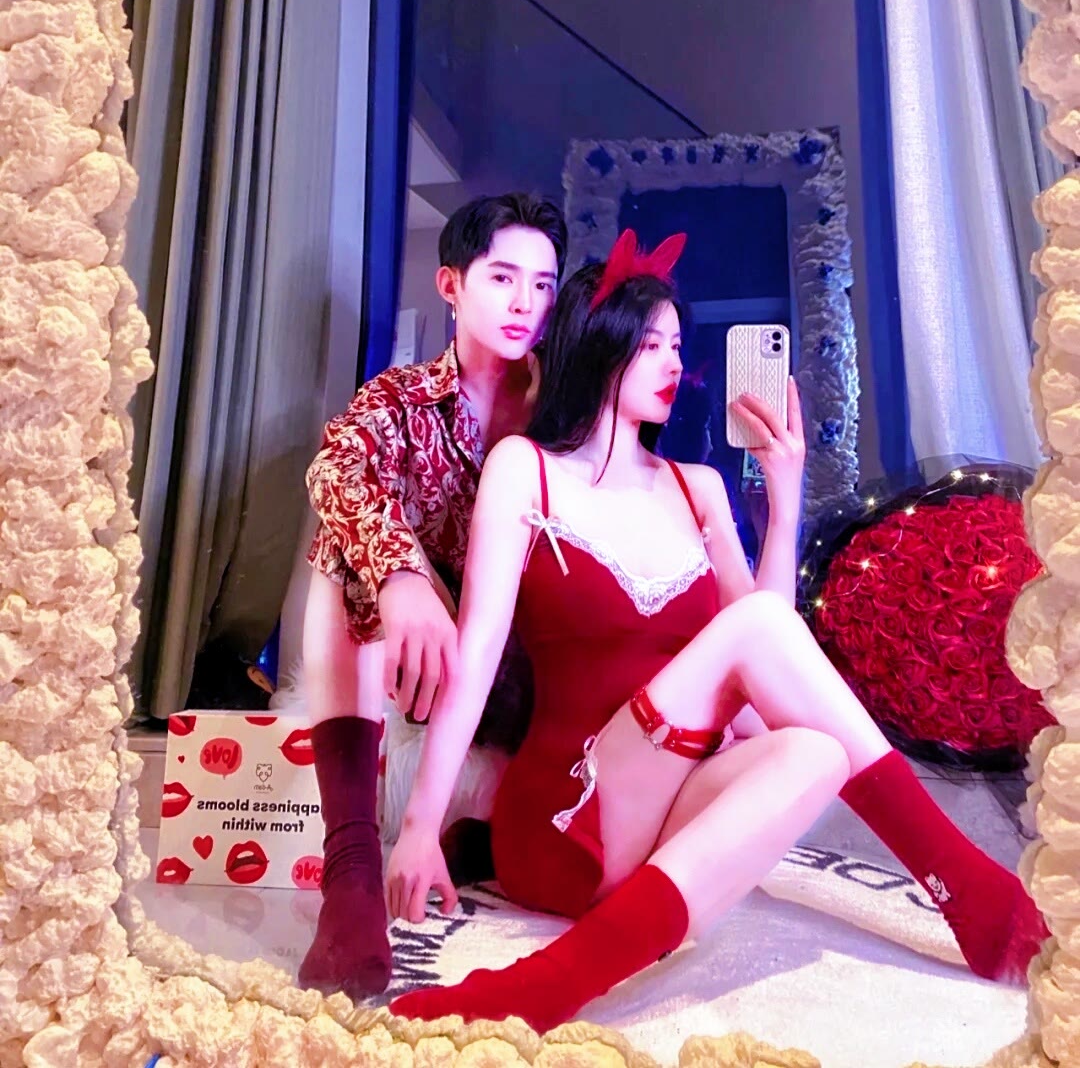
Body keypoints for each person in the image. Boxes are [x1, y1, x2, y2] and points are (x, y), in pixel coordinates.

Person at [384, 229, 1049, 1033]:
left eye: (677, 346)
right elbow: (479, 653)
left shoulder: (696, 487)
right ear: (600, 347)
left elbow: (768, 667)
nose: (674, 364)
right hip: (568, 811)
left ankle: (559, 980)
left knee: (817, 750)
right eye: (651, 345)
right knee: (758, 628)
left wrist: (785, 493)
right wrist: (419, 827)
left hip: (668, 812)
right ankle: (969, 891)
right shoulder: (526, 470)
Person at [298, 193, 568, 999]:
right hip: (430, 661)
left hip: (541, 669)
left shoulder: (568, 408)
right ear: (451, 285)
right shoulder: (403, 399)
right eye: (503, 278)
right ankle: (351, 868)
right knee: (342, 550)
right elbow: (335, 468)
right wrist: (402, 573)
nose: (525, 303)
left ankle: (486, 834)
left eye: (544, 285)